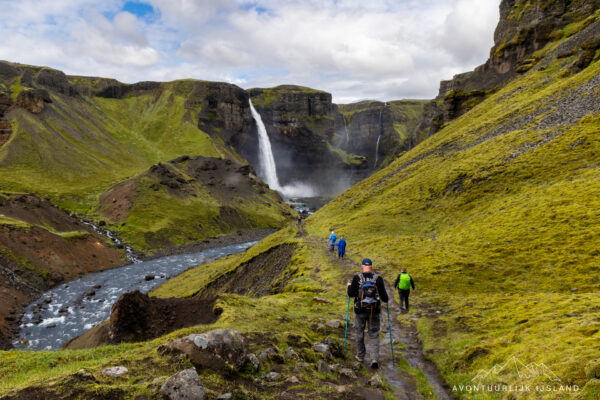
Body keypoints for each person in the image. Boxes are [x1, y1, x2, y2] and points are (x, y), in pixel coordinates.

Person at [347, 258, 388, 369]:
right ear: (371, 267)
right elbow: (384, 298)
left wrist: (349, 287)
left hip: (359, 311)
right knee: (374, 334)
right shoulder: (378, 279)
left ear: (362, 266)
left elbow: (350, 294)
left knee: (359, 332)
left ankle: (360, 356)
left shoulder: (357, 278)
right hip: (374, 311)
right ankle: (374, 358)